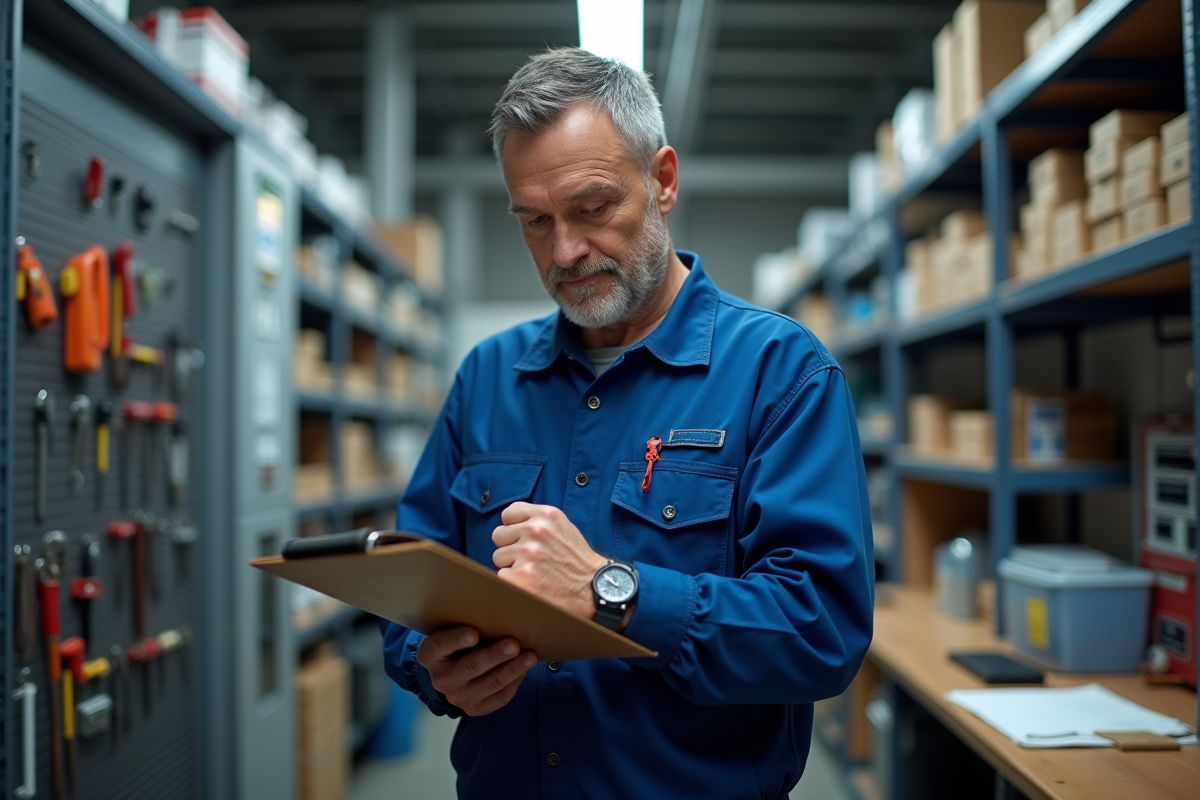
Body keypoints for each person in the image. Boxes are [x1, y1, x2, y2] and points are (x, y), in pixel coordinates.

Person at [380, 47, 874, 799]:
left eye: (592, 208)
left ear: (663, 181)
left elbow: (820, 633)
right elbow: (412, 579)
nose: (565, 252)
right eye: (535, 221)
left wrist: (616, 591)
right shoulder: (486, 376)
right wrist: (430, 663)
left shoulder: (780, 372)